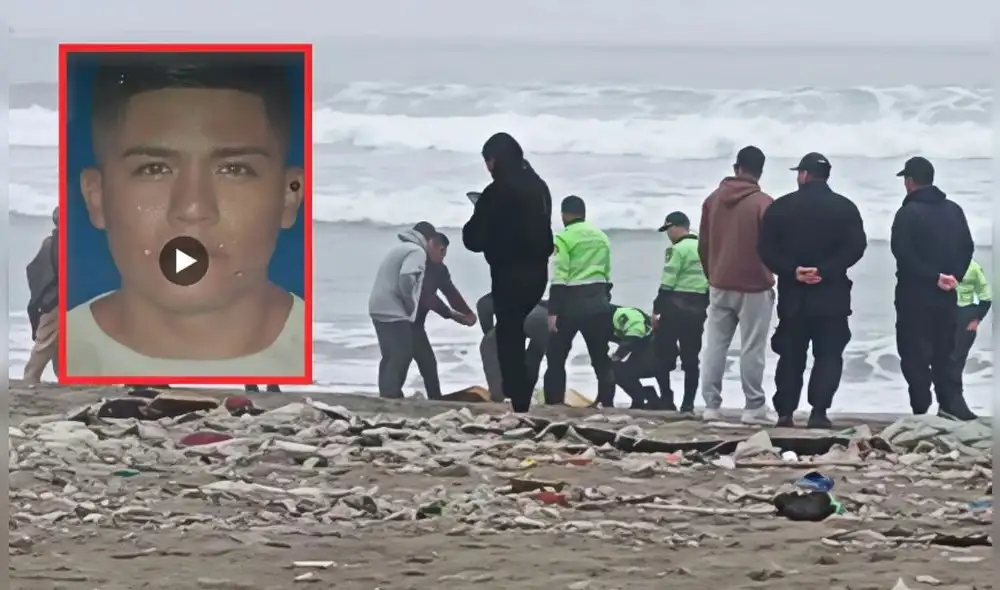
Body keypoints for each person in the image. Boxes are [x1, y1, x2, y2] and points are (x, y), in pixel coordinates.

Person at [66, 53, 306, 377]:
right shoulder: (56, 352)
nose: (193, 209)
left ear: (289, 197)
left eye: (235, 169)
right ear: (96, 198)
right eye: (153, 169)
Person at [758, 153, 868, 428]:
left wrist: (793, 270)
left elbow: (765, 250)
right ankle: (819, 412)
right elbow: (856, 248)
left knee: (790, 356)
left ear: (804, 175)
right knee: (828, 356)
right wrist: (825, 270)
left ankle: (785, 414)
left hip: (794, 298)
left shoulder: (781, 207)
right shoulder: (845, 208)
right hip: (832, 297)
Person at [463, 132, 553, 413]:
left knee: (509, 338)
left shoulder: (496, 192)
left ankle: (520, 402)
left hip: (509, 276)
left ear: (496, 160)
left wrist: (481, 213)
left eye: (488, 161)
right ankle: (524, 391)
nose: (488, 168)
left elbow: (473, 240)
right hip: (538, 276)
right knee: (519, 333)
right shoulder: (540, 187)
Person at [891, 156, 976, 420]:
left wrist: (933, 277)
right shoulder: (954, 210)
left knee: (913, 352)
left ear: (910, 181)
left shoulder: (907, 213)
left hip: (914, 297)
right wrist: (954, 277)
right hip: (947, 295)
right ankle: (950, 404)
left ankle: (920, 407)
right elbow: (967, 247)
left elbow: (903, 254)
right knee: (944, 351)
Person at [698, 145, 776, 424]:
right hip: (755, 286)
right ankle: (753, 407)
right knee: (752, 347)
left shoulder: (712, 200)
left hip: (719, 282)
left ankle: (711, 406)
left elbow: (703, 244)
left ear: (736, 168)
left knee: (715, 345)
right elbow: (772, 247)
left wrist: (712, 274)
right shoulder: (764, 203)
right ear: (760, 171)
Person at [543, 195, 616, 408]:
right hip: (598, 301)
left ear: (564, 215)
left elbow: (560, 275)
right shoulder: (601, 237)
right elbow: (606, 272)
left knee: (556, 356)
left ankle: (555, 402)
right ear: (583, 213)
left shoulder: (563, 238)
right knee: (600, 357)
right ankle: (606, 403)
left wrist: (553, 310)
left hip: (570, 304)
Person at [369, 222, 447, 399]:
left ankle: (387, 395)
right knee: (402, 354)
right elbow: (406, 277)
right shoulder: (417, 252)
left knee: (389, 356)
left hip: (378, 306)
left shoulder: (400, 248)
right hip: (393, 309)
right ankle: (391, 395)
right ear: (429, 241)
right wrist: (410, 302)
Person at [652, 211, 709, 412]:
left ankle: (667, 399)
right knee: (691, 359)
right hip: (698, 309)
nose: (668, 234)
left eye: (668, 229)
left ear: (675, 227)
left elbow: (668, 282)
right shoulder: (704, 248)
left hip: (674, 310)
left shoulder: (676, 250)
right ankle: (688, 404)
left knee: (662, 356)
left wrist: (656, 310)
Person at [413, 233, 476, 400]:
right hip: (400, 322)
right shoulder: (418, 264)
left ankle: (435, 399)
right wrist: (452, 315)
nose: (443, 256)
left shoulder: (440, 269)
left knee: (428, 363)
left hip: (417, 324)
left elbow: (450, 292)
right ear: (430, 245)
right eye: (441, 251)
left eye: (445, 252)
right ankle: (389, 397)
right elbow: (426, 297)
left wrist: (467, 312)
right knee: (397, 362)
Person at [477, 292, 550, 402]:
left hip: (520, 319)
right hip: (544, 321)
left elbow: (483, 307)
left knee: (489, 345)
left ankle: (499, 395)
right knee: (534, 358)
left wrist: (489, 333)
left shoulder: (490, 299)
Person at [24, 206, 61, 384]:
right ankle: (30, 379)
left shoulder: (52, 242)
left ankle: (64, 379)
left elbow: (34, 271)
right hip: (56, 303)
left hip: (54, 301)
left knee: (62, 345)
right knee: (46, 344)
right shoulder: (62, 243)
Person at [949, 259, 991, 402]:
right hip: (945, 314)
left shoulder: (974, 268)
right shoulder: (940, 263)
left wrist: (976, 319)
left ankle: (955, 398)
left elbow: (986, 298)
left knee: (957, 359)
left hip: (965, 315)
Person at [609, 304, 660, 409]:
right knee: (610, 368)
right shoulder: (605, 320)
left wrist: (617, 356)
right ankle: (648, 396)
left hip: (659, 355)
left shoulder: (623, 314)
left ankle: (641, 399)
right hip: (648, 352)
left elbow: (634, 335)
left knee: (614, 370)